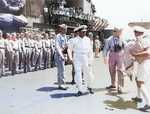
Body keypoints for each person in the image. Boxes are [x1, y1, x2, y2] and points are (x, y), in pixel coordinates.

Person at [68, 25, 94, 97]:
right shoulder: (74, 40)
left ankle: (90, 86)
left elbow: (90, 51)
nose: (84, 33)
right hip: (77, 57)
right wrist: (71, 58)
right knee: (78, 75)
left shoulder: (88, 40)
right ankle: (79, 90)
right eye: (82, 32)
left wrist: (91, 60)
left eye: (85, 32)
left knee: (89, 74)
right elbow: (69, 49)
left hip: (85, 58)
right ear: (79, 32)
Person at [130, 26, 150, 111]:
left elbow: (148, 53)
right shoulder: (142, 39)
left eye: (135, 31)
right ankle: (138, 97)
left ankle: (149, 103)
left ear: (139, 33)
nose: (134, 33)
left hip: (145, 63)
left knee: (140, 83)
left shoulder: (143, 40)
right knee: (137, 78)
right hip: (143, 63)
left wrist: (136, 55)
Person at [103, 27, 125, 93]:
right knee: (112, 69)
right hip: (112, 54)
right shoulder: (109, 39)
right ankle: (113, 84)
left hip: (120, 54)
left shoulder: (122, 38)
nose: (121, 33)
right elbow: (106, 48)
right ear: (115, 32)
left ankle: (120, 86)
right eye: (120, 31)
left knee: (120, 70)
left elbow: (125, 46)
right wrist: (105, 57)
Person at [54, 24, 69, 90]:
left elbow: (65, 46)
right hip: (59, 55)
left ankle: (62, 83)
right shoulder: (58, 36)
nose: (65, 30)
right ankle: (61, 84)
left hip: (63, 54)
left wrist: (65, 55)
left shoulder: (65, 36)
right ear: (61, 29)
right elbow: (58, 47)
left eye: (66, 29)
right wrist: (62, 55)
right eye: (64, 29)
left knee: (63, 70)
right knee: (61, 70)